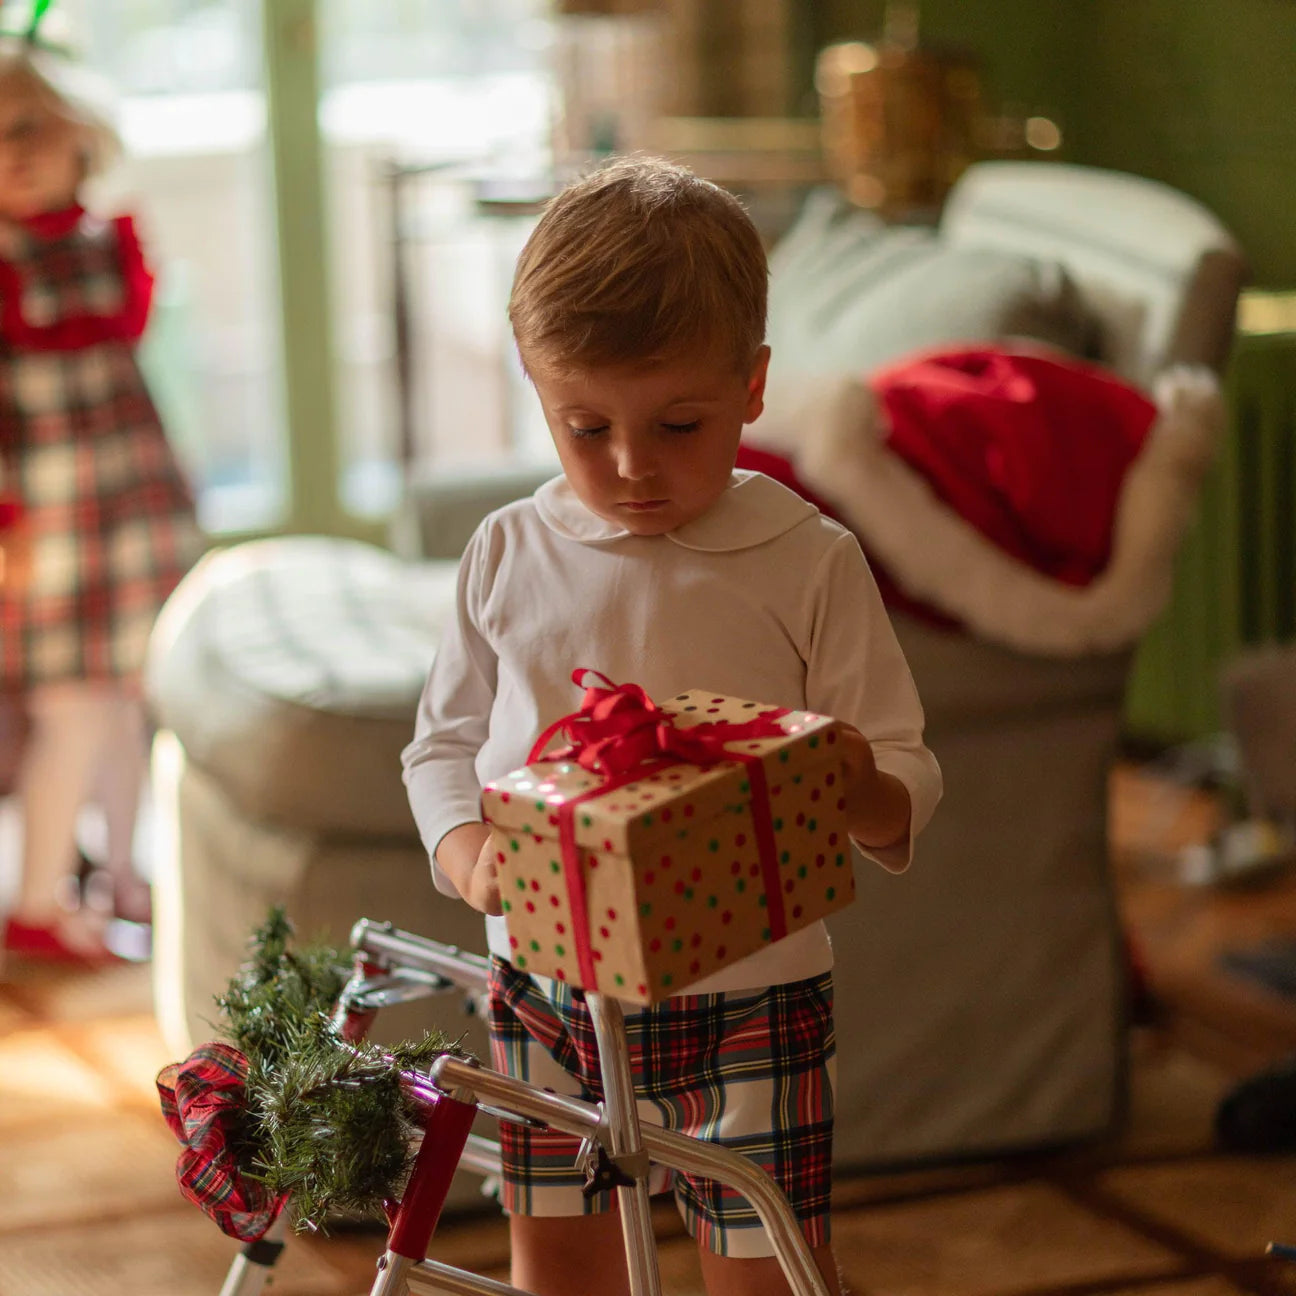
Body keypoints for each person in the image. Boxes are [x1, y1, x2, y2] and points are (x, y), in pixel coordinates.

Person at [402, 156, 942, 1296]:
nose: (633, 467)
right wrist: (468, 854)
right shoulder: (508, 551)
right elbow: (442, 745)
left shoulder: (810, 560)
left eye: (679, 423)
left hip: (753, 995)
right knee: (562, 1269)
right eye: (585, 426)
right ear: (533, 389)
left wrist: (852, 781)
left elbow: (899, 767)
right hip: (545, 989)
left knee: (771, 1273)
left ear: (752, 385)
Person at [0, 31, 203, 964]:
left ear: (81, 130)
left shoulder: (99, 242)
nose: (17, 149)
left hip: (128, 512)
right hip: (46, 532)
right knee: (75, 709)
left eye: (33, 125)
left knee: (128, 699)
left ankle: (122, 876)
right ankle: (39, 895)